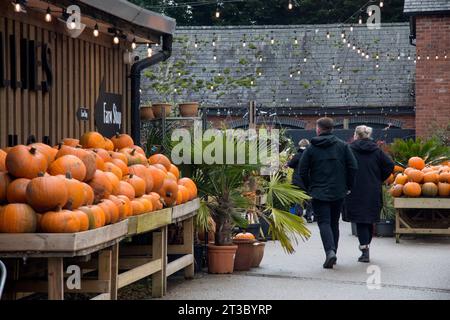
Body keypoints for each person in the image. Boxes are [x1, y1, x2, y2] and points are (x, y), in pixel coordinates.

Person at [299, 117, 358, 269]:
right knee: (333, 223)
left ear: (318, 129)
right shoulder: (343, 146)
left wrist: (308, 187)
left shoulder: (311, 149)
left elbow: (302, 170)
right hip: (338, 190)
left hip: (318, 191)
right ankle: (333, 253)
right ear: (332, 129)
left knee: (324, 222)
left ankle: (329, 252)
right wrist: (348, 185)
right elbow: (353, 167)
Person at [344, 125, 394, 263]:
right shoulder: (376, 150)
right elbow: (390, 164)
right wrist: (379, 177)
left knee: (360, 220)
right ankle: (366, 247)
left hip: (355, 188)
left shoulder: (349, 149)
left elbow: (344, 166)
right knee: (369, 219)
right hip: (372, 188)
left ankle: (364, 248)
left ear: (356, 135)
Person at [287, 139, 314, 222]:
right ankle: (309, 215)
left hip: (297, 180)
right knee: (309, 198)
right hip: (309, 179)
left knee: (297, 198)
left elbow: (291, 164)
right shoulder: (311, 155)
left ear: (300, 145)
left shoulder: (297, 155)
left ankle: (298, 214)